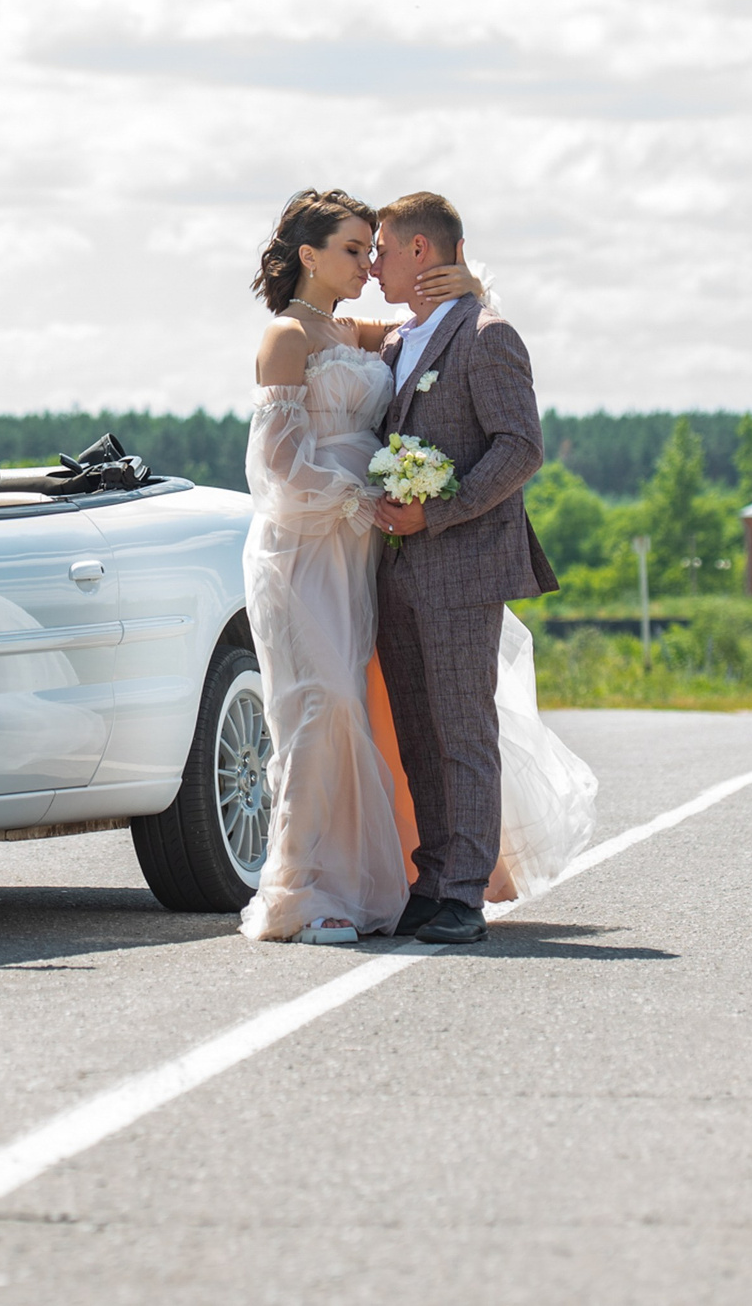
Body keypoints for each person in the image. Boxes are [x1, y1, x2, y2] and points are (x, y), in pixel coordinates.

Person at [237, 190, 478, 946]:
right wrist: (360, 494)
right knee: (320, 705)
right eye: (352, 247)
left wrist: (470, 285)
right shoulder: (285, 337)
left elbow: (428, 326)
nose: (368, 262)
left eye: (373, 246)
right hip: (301, 549)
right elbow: (277, 467)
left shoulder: (358, 330)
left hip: (355, 551)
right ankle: (296, 892)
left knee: (352, 709)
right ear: (308, 255)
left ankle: (347, 885)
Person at [369, 191, 594, 945]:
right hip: (397, 570)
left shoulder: (487, 335)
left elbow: (520, 445)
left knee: (462, 729)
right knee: (417, 733)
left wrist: (438, 509)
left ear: (422, 251)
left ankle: (465, 890)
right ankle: (431, 878)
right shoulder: (401, 340)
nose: (372, 262)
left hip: (462, 565)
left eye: (383, 249)